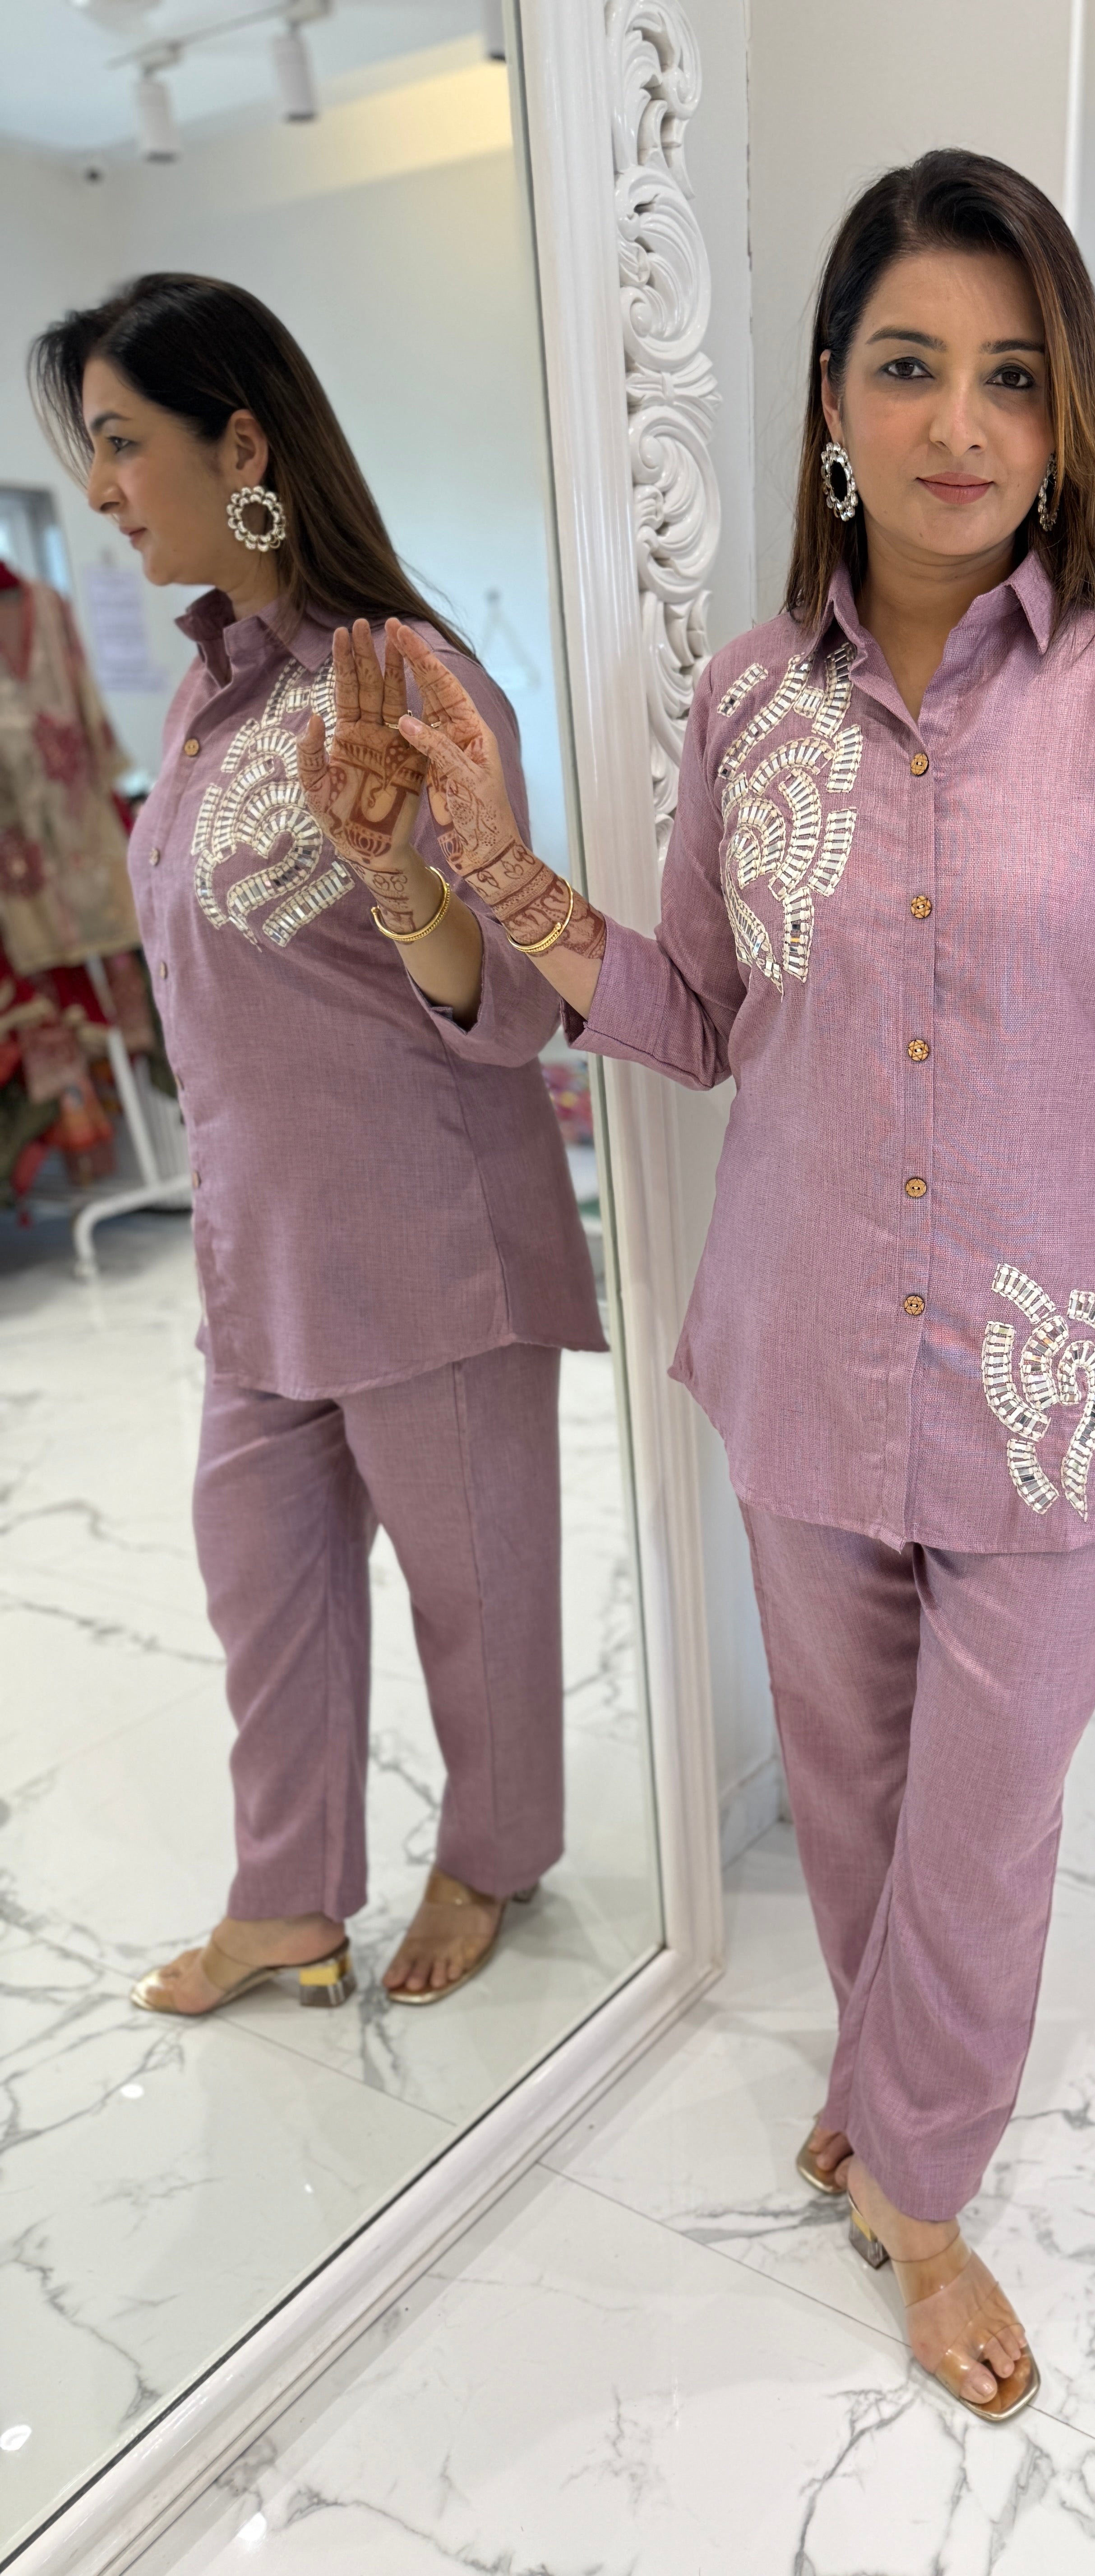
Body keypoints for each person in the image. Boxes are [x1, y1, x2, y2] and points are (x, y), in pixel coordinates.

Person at [384, 151, 1095, 2419]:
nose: (959, 424)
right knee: (859, 1793)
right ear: (828, 400)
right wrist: (490, 857)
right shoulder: (743, 704)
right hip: (801, 1351)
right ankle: (884, 2095)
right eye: (910, 366)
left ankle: (923, 2188)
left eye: (1013, 376)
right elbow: (697, 1013)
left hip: (1061, 1383)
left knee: (987, 1820)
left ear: (1067, 418)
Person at [29, 275, 603, 2013]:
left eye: (120, 443)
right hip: (260, 1255)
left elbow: (517, 1001)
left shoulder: (413, 682)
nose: (100, 490)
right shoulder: (206, 696)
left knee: (474, 1599)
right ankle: (286, 1899)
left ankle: (493, 1857)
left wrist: (400, 871)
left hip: (431, 1247)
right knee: (261, 1589)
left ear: (244, 446)